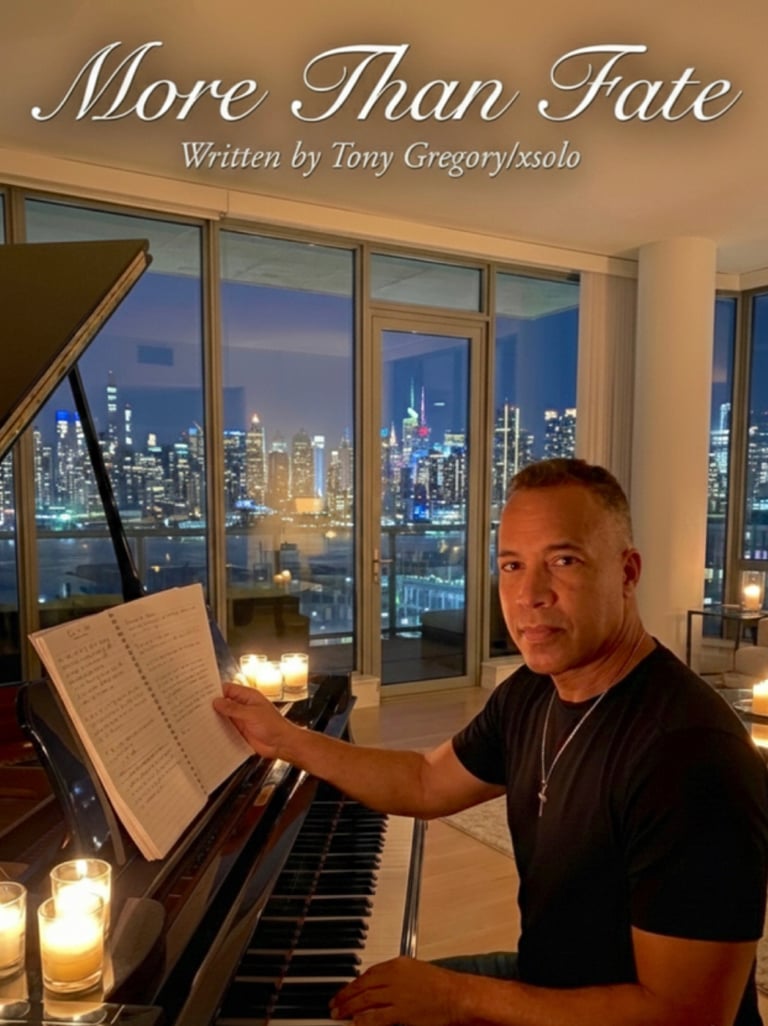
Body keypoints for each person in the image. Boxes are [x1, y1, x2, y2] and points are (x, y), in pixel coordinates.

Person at [214, 458, 768, 1026]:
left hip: (614, 1012)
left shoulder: (691, 757)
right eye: (512, 565)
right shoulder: (531, 693)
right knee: (351, 1009)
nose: (530, 594)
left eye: (564, 560)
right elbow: (425, 781)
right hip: (546, 980)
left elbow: (687, 1016)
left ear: (627, 573)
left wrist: (457, 997)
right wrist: (286, 738)